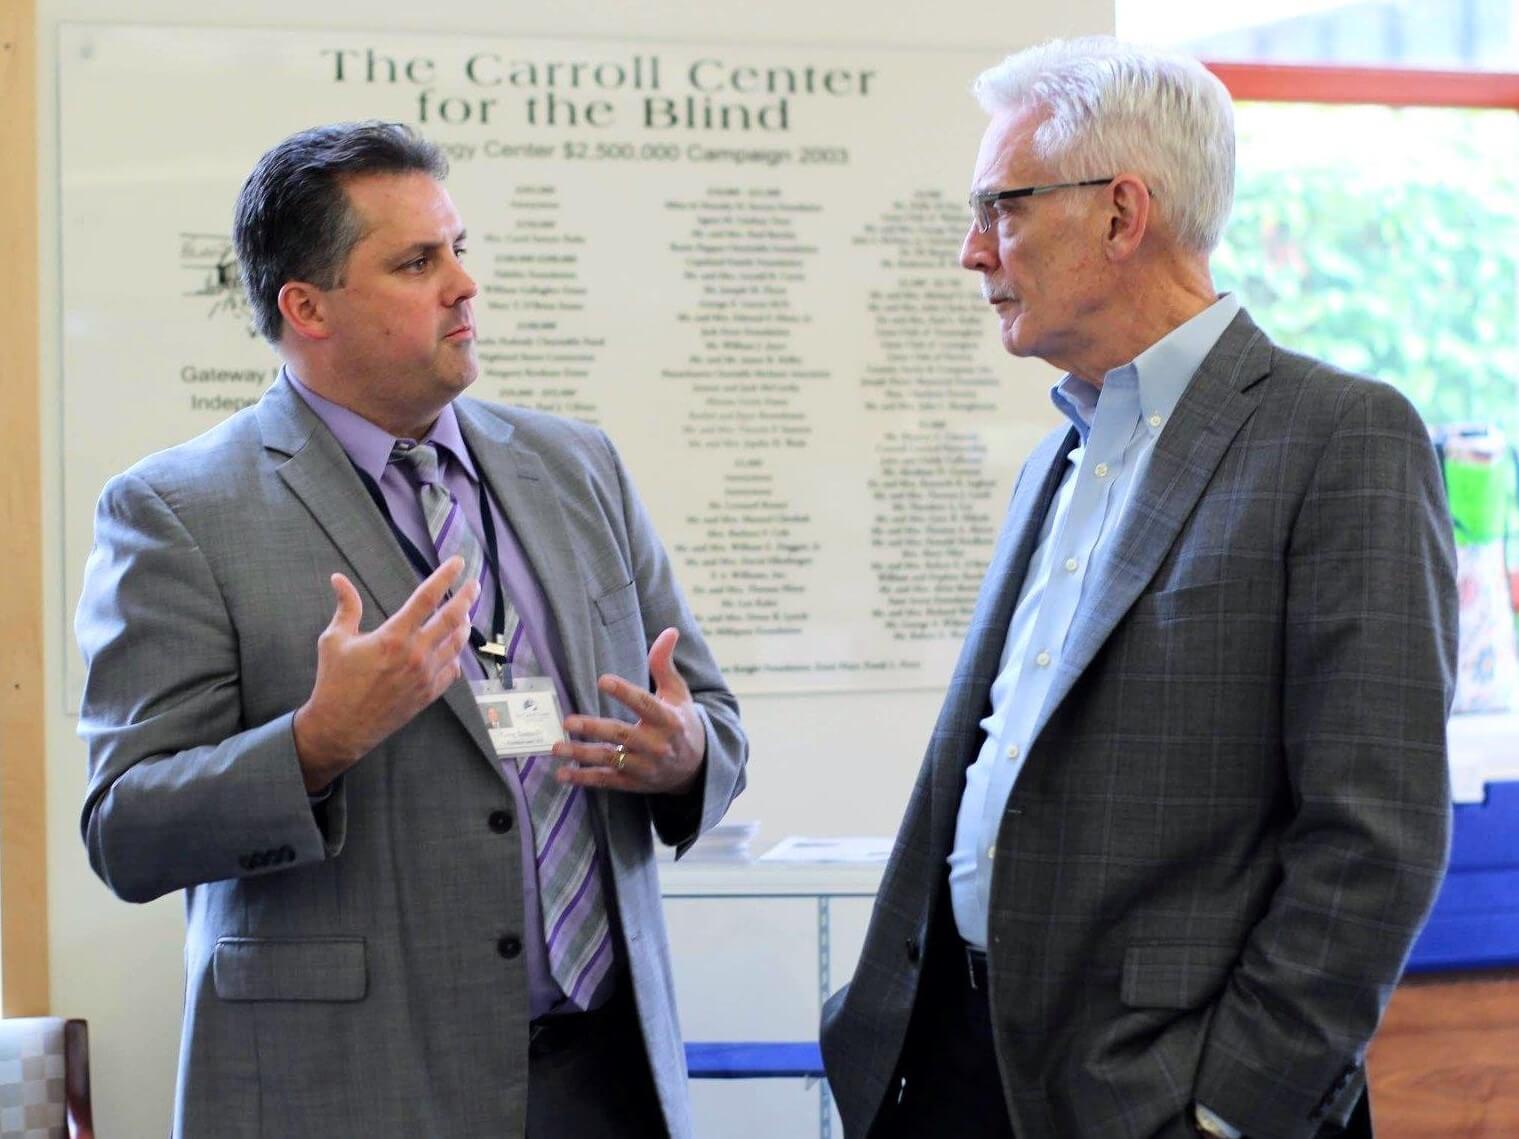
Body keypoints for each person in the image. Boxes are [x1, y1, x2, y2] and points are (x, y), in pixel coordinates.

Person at [821, 37, 1456, 1139]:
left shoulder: (1339, 438)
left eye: (1001, 207)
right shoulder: (1056, 453)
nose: (973, 253)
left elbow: (1373, 839)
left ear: (1121, 214)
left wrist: (1230, 1110)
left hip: (1158, 1094)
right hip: (960, 1064)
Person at [75, 121, 748, 1139]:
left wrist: (688, 750)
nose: (463, 285)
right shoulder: (177, 511)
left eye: (459, 249)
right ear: (306, 307)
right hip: (350, 1085)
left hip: (606, 1077)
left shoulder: (578, 467)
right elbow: (125, 829)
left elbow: (713, 718)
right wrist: (316, 742)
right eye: (416, 262)